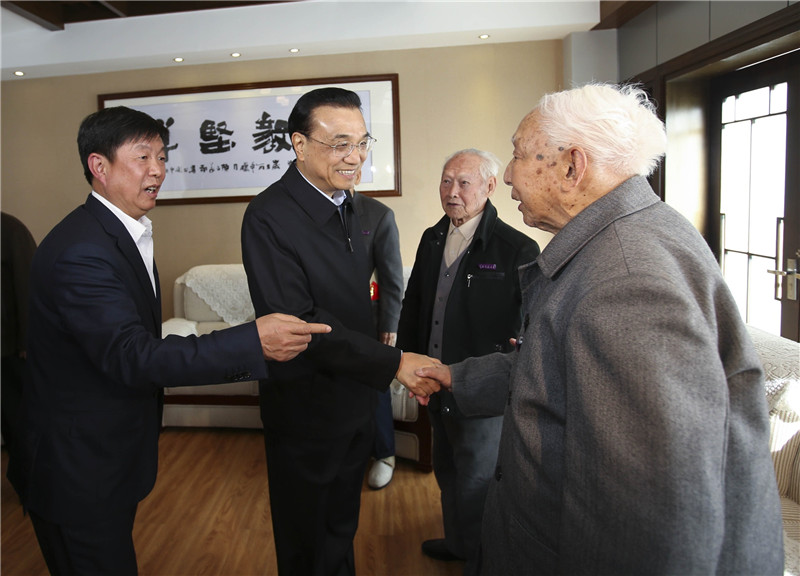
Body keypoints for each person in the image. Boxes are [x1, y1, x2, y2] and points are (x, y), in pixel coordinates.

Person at [415, 84, 785, 575]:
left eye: (518, 155)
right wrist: (457, 376)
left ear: (572, 167)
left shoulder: (628, 283)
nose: (508, 176)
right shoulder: (622, 239)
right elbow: (554, 364)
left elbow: (646, 518)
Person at [11, 106, 332, 576]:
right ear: (99, 166)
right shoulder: (82, 250)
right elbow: (132, 354)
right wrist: (252, 342)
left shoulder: (121, 232)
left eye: (162, 156)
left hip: (104, 457)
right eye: (143, 157)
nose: (158, 170)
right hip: (76, 468)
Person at [241, 87, 439, 576]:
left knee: (341, 526)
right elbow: (300, 324)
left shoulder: (352, 206)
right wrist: (394, 362)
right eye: (339, 144)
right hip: (305, 407)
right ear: (299, 144)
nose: (355, 156)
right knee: (307, 537)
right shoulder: (269, 216)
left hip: (355, 397)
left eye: (362, 142)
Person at [397, 148, 539, 573]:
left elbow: (531, 323)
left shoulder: (517, 248)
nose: (452, 191)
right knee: (447, 470)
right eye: (446, 181)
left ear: (490, 186)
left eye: (463, 182)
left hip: (481, 391)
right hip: (433, 383)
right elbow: (413, 304)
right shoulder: (432, 238)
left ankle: (482, 563)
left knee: (478, 479)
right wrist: (407, 365)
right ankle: (458, 544)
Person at [351, 184, 404, 490]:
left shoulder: (377, 215)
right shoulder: (306, 213)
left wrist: (389, 325)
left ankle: (385, 454)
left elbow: (391, 277)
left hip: (367, 320)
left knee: (375, 386)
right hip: (320, 318)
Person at [1, 211, 37, 490]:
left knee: (19, 422)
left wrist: (28, 342)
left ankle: (32, 486)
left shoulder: (10, 230)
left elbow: (29, 289)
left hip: (9, 349)